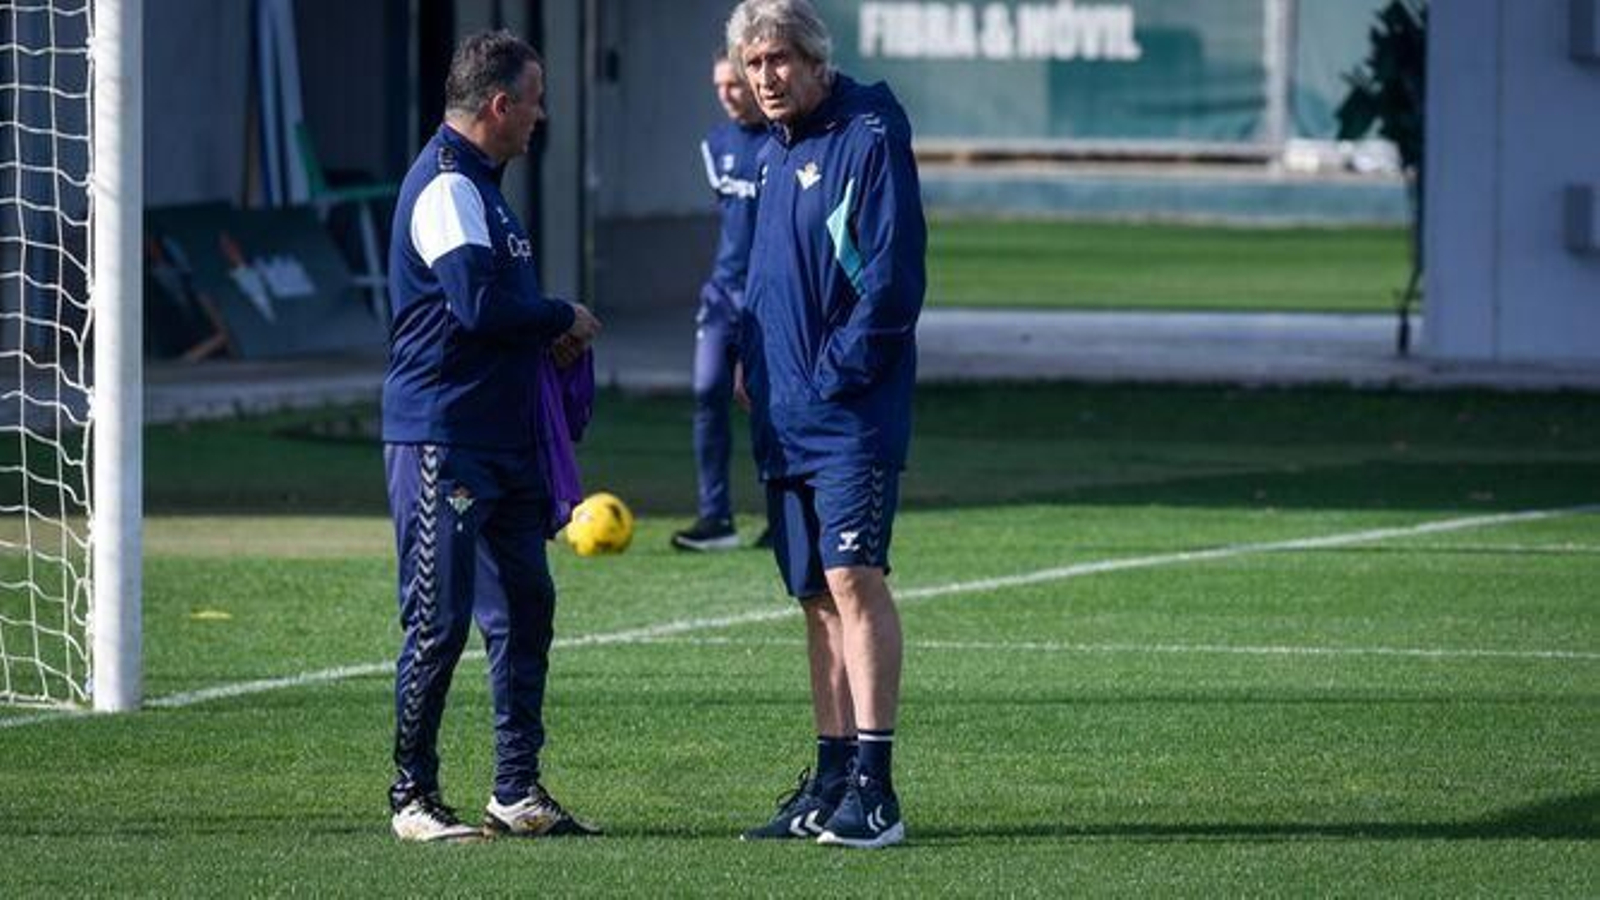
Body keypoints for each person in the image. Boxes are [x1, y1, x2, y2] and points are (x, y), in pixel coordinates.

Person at [382, 29, 602, 843]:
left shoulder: (486, 187)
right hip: (444, 437)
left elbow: (489, 316)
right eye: (536, 101)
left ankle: (515, 791)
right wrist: (559, 315)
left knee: (526, 608)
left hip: (501, 441)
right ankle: (412, 797)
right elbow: (478, 308)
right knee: (437, 618)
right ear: (501, 104)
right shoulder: (446, 185)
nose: (541, 116)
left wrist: (547, 338)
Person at [725, 0, 925, 849]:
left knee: (853, 580)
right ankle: (832, 778)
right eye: (754, 64)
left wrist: (831, 377)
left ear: (815, 62)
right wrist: (753, 359)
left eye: (778, 61)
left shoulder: (868, 133)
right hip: (783, 416)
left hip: (846, 415)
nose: (765, 78)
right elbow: (771, 277)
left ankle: (876, 794)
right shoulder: (775, 152)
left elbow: (891, 280)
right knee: (813, 598)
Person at [669, 49, 769, 552]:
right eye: (718, 86)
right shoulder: (716, 145)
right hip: (722, 293)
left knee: (769, 405)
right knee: (708, 392)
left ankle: (784, 514)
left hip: (769, 297)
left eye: (734, 83)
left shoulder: (783, 141)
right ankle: (716, 518)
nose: (727, 94)